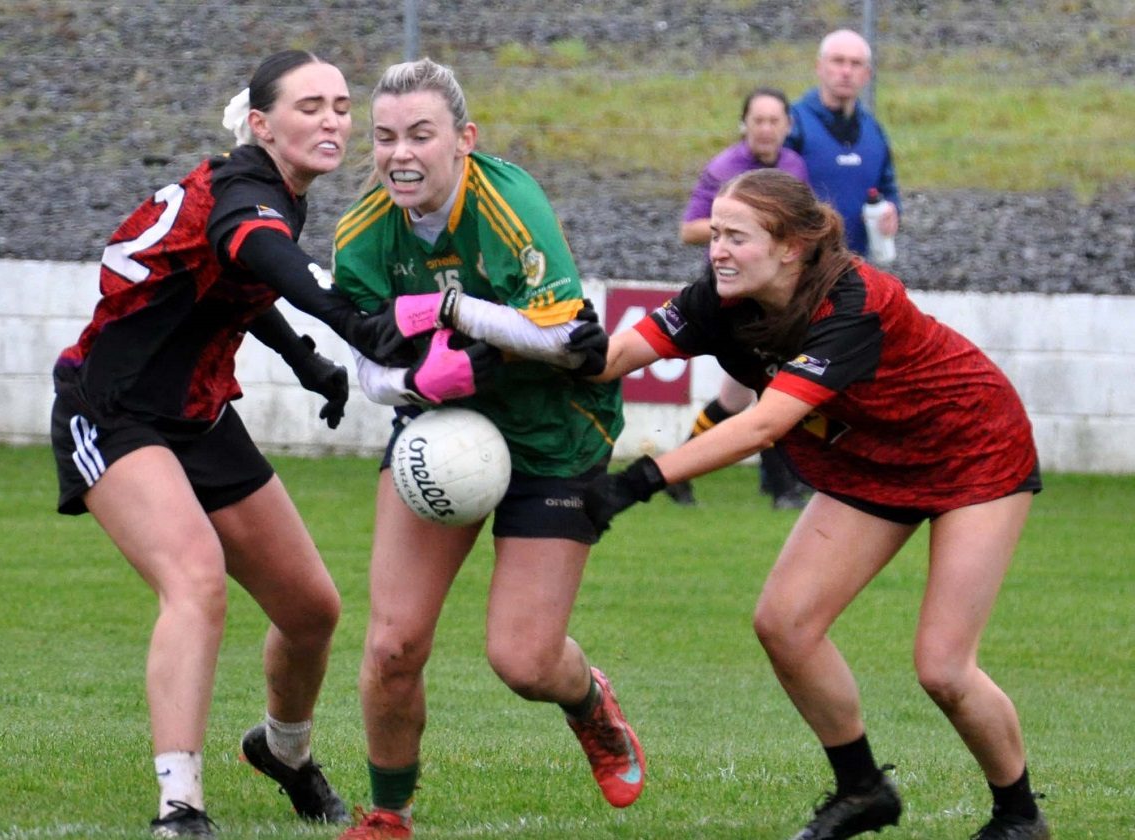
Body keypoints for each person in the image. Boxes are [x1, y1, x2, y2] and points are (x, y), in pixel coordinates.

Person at [581, 169, 1051, 840]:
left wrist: (635, 482)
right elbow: (615, 354)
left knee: (944, 668)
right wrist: (543, 345)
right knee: (785, 624)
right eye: (714, 234)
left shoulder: (854, 302)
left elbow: (764, 425)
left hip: (972, 449)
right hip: (872, 462)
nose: (717, 250)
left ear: (791, 247)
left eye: (735, 237)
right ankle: (862, 790)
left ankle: (1019, 818)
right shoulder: (717, 299)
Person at [48, 50, 394, 836]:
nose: (333, 119)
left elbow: (232, 278)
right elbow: (254, 249)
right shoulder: (245, 192)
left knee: (311, 610)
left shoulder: (268, 189)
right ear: (263, 125)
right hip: (112, 411)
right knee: (195, 579)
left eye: (341, 105)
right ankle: (180, 806)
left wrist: (304, 360)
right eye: (310, 107)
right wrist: (345, 321)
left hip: (199, 415)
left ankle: (284, 752)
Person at [328, 58, 644, 839]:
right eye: (385, 137)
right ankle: (388, 814)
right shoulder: (363, 234)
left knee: (524, 661)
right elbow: (367, 369)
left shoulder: (510, 204)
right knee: (394, 643)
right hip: (442, 431)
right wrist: (418, 387)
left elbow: (569, 337)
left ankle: (589, 703)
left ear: (464, 141)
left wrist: (454, 319)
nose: (401, 154)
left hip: (552, 431)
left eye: (421, 136)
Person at [668, 87, 812, 510]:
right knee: (772, 386)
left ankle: (678, 472)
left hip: (778, 295)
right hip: (734, 295)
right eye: (758, 121)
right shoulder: (726, 168)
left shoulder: (793, 165)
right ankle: (783, 489)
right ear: (743, 125)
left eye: (774, 121)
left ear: (787, 126)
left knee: (740, 396)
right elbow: (689, 228)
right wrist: (736, 228)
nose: (766, 129)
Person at [785, 29, 901, 259]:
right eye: (838, 61)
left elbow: (888, 190)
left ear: (867, 74)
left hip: (855, 264)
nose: (846, 71)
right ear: (819, 67)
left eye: (855, 64)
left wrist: (892, 211)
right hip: (800, 262)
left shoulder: (873, 131)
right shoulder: (791, 123)